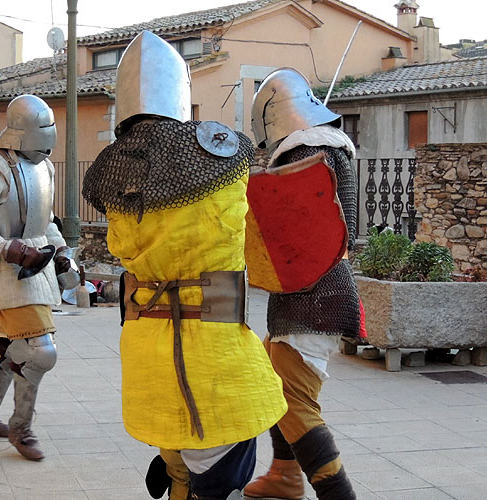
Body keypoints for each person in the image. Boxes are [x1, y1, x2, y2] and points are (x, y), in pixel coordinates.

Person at [82, 31, 287, 500]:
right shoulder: (222, 157)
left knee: (179, 462)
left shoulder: (116, 174)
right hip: (214, 353)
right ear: (180, 93)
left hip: (146, 351)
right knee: (222, 472)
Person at [244, 68, 360, 500]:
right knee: (270, 376)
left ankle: (338, 494)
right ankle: (285, 474)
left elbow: (299, 233)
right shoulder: (330, 152)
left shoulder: (306, 153)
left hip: (313, 295)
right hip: (309, 292)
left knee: (293, 400)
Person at [0, 94, 70, 461]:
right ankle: (21, 428)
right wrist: (11, 250)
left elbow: (44, 221)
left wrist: (63, 255)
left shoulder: (44, 167)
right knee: (40, 351)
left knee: (13, 345)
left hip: (40, 266)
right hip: (7, 268)